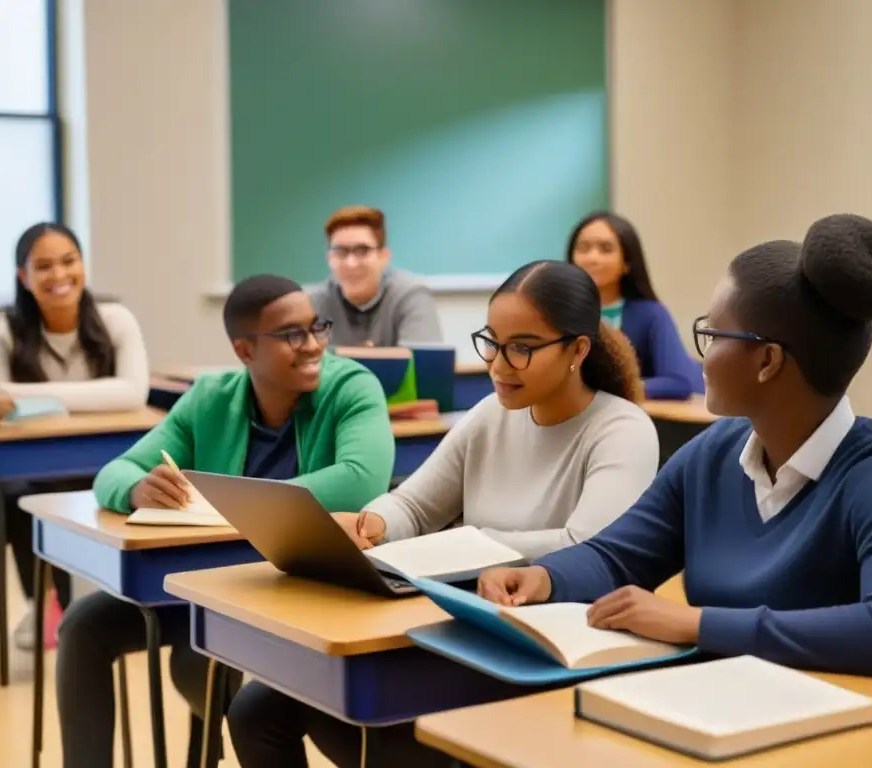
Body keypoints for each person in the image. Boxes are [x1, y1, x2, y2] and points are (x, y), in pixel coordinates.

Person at [481, 214, 872, 687]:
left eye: (712, 334)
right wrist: (545, 577)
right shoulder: (713, 454)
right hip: (716, 706)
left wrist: (697, 624)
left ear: (767, 361)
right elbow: (618, 556)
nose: (700, 356)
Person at [227, 260, 661, 768]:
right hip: (465, 623)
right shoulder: (492, 413)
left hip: (537, 651)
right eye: (492, 342)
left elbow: (587, 545)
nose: (498, 365)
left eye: (521, 348)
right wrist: (374, 524)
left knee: (370, 733)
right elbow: (414, 501)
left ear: (578, 349)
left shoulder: (622, 429)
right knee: (256, 710)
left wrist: (469, 541)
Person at [54, 275, 396, 768]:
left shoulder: (351, 386)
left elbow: (361, 482)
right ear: (244, 351)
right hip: (214, 583)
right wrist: (135, 489)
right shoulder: (212, 397)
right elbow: (116, 470)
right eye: (291, 335)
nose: (313, 345)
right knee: (84, 626)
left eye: (317, 328)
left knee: (203, 659)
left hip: (303, 588)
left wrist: (232, 503)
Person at [0, 222, 150, 650]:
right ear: (24, 277)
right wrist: (25, 402)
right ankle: (44, 602)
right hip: (33, 467)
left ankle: (110, 606)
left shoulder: (115, 319)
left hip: (107, 461)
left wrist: (22, 399)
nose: (59, 276)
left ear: (83, 264)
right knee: (6, 493)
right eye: (44, 266)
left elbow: (132, 392)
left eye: (69, 261)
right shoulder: (6, 331)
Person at [567, 211, 703, 399]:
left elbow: (678, 382)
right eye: (583, 248)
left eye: (606, 249)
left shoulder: (651, 314)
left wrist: (610, 390)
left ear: (627, 263)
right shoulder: (559, 314)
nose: (592, 258)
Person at [309, 205, 442, 347]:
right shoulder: (316, 303)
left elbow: (424, 364)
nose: (351, 263)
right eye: (341, 251)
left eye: (362, 250)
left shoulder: (410, 295)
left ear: (383, 257)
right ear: (330, 258)